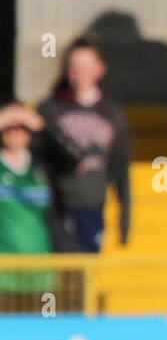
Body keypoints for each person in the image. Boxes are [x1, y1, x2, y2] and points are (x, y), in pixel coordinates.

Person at [37, 37, 130, 253]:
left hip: (92, 206)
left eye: (86, 67)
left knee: (85, 275)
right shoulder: (50, 110)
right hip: (57, 207)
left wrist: (124, 223)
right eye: (74, 68)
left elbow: (121, 170)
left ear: (99, 69)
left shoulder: (112, 115)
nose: (79, 75)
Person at [0, 103, 55, 309]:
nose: (15, 134)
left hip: (38, 263)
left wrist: (40, 124)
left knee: (38, 327)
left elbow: (69, 156)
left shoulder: (41, 168)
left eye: (21, 128)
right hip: (4, 267)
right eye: (9, 128)